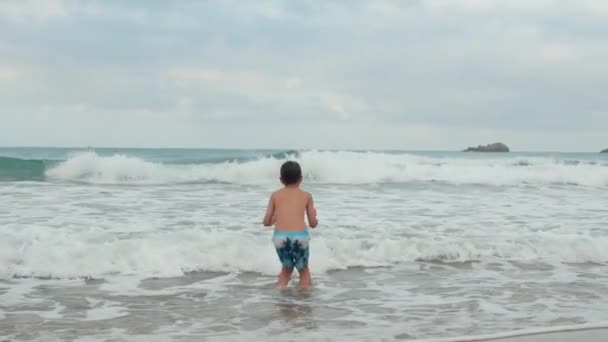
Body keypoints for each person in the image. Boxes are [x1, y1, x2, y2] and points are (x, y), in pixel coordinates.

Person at [263, 161, 318, 288]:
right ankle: (304, 299)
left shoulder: (275, 195)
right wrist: (315, 216)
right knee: (303, 270)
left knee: (286, 269)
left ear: (281, 180)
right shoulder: (307, 196)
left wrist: (275, 218)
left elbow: (266, 222)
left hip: (280, 238)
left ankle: (279, 295)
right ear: (301, 179)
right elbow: (313, 224)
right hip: (300, 237)